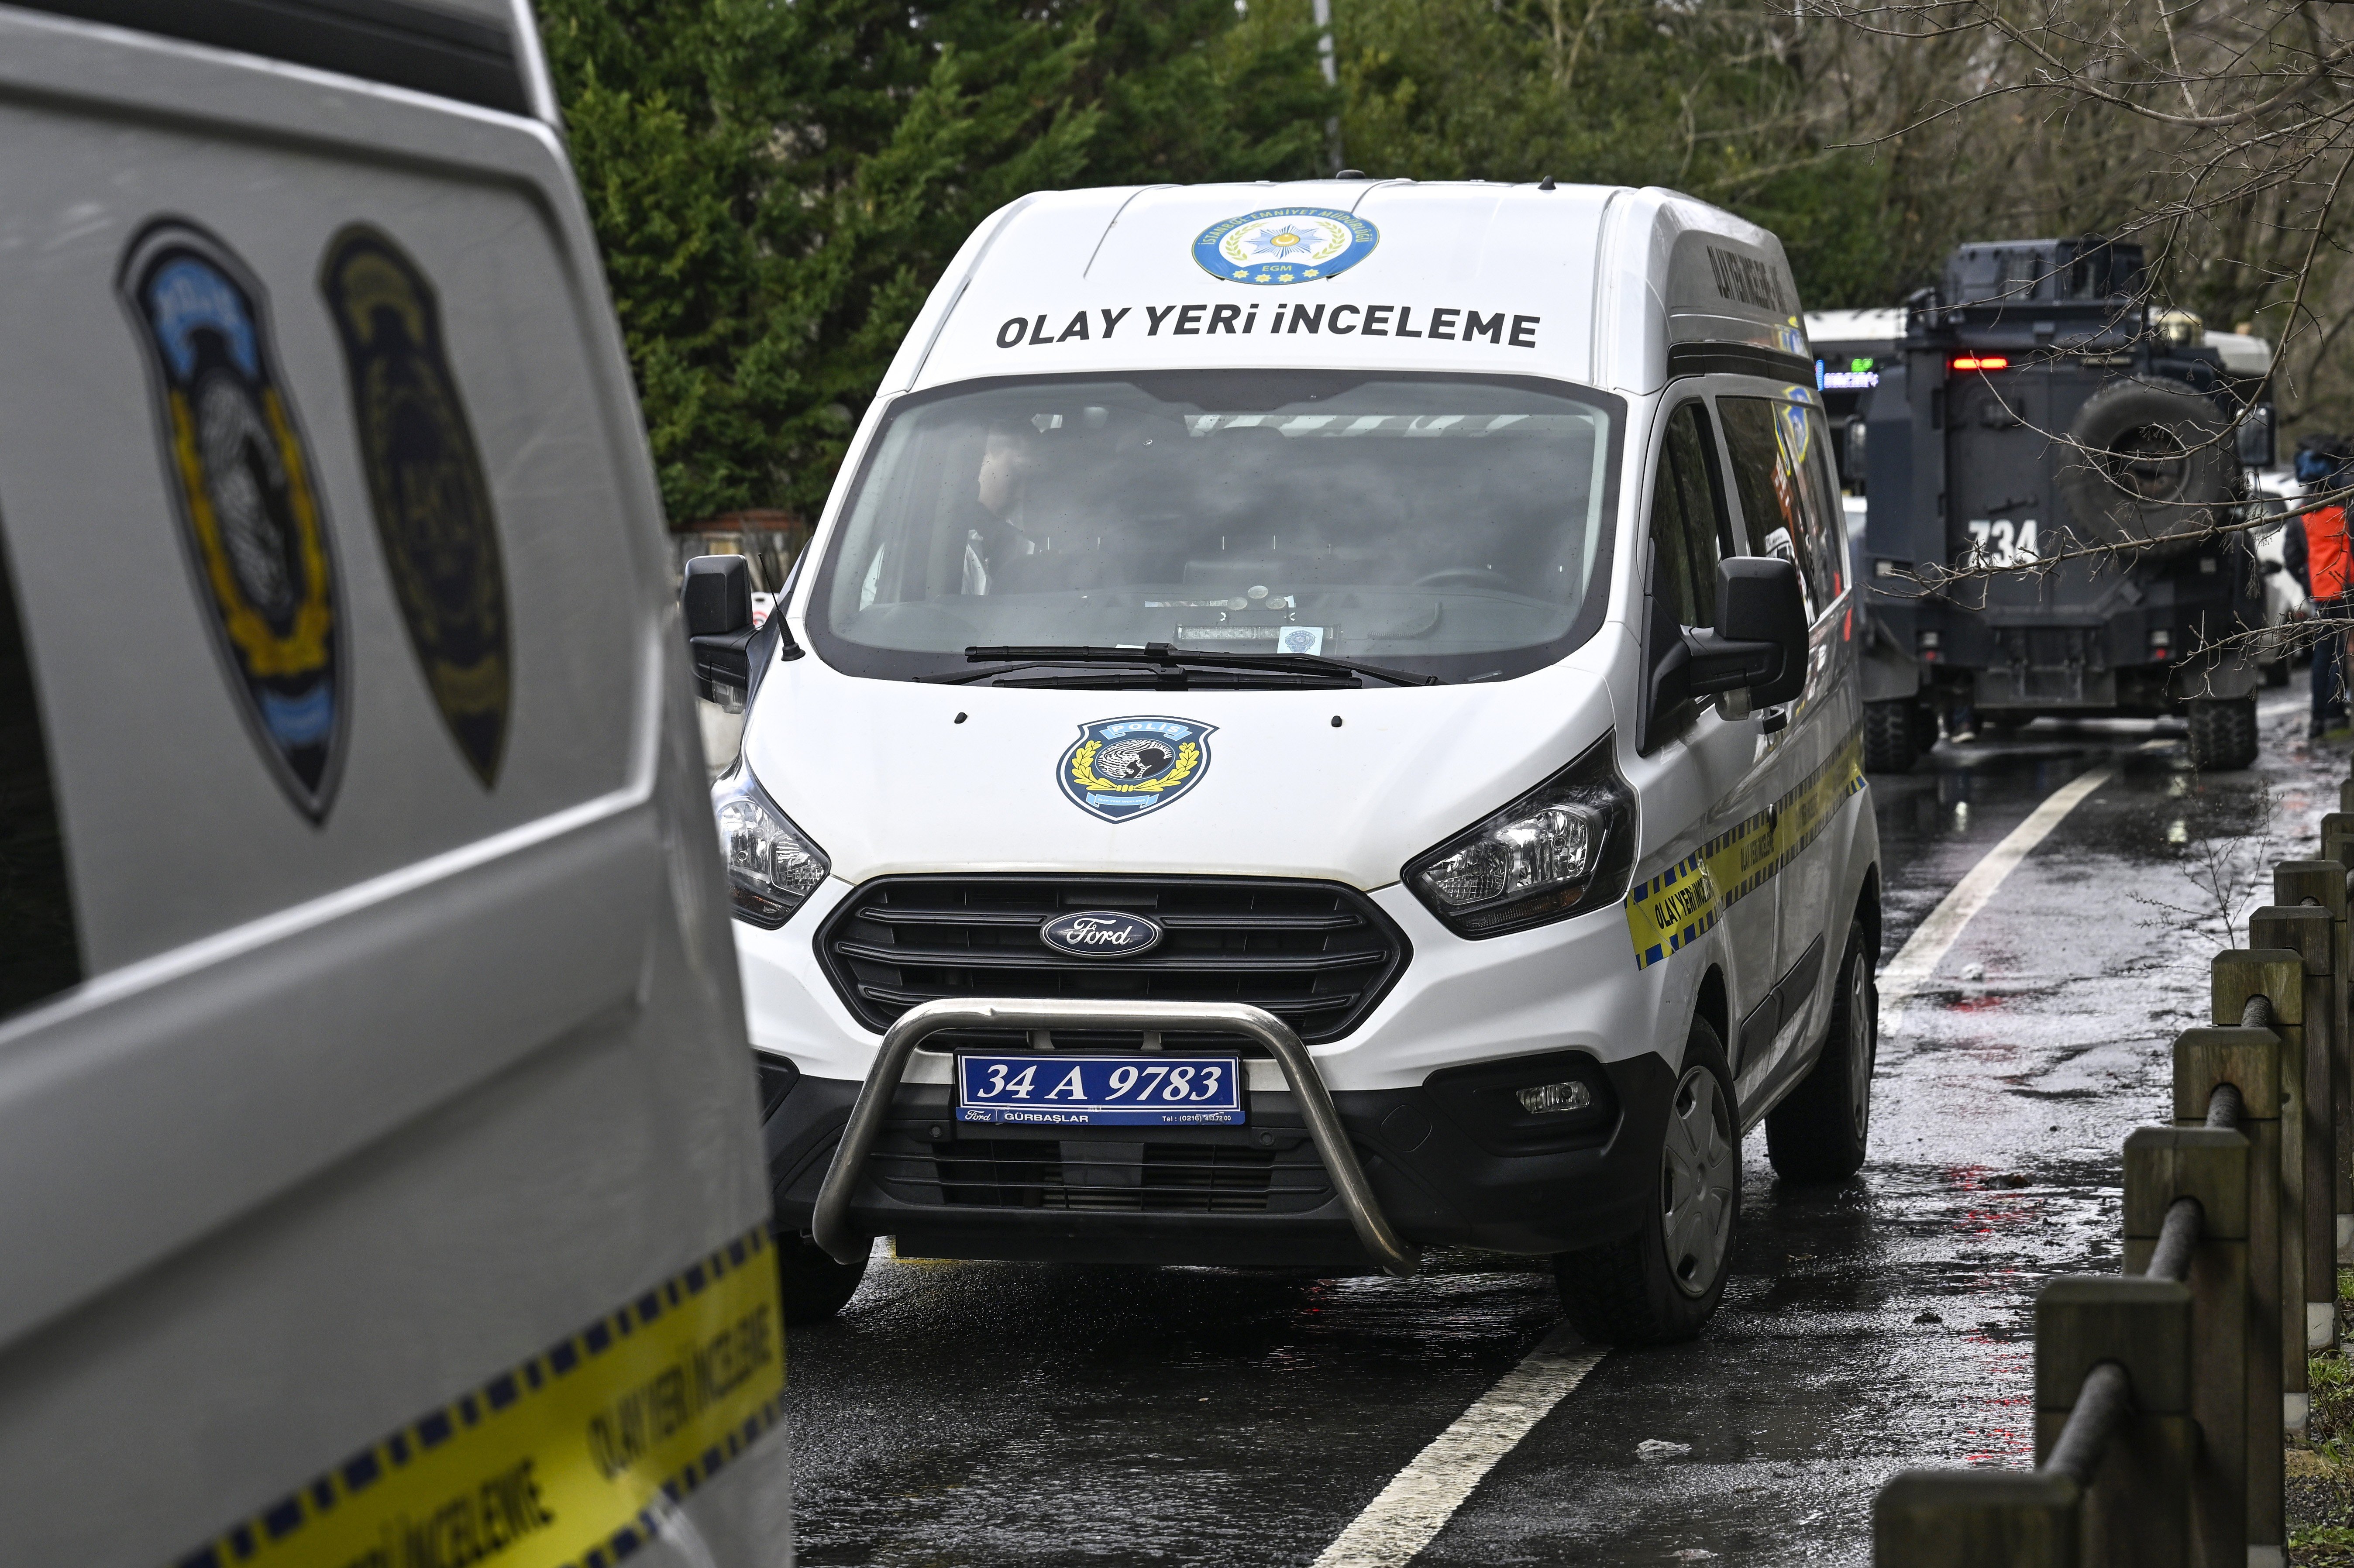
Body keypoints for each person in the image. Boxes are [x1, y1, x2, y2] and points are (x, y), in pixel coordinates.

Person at [2292, 434, 2354, 738]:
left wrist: (2308, 585)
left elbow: (2293, 558)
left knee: (2324, 653)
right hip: (2348, 586)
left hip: (2322, 591)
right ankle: (2336, 710)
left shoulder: (2302, 514)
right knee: (2346, 651)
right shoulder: (2344, 509)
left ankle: (2320, 716)